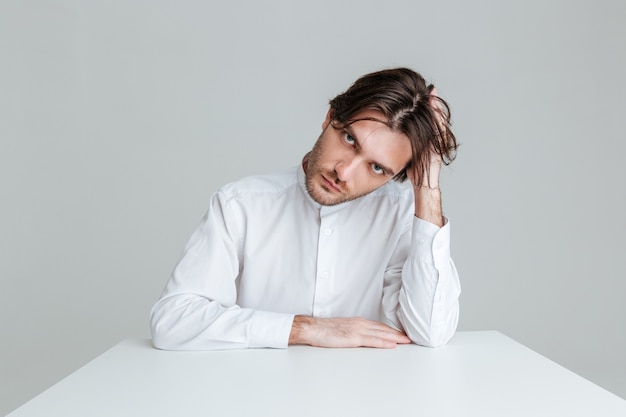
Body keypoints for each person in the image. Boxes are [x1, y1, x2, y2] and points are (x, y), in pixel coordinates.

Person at [150, 67, 460, 350]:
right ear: (330, 117)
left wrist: (427, 187)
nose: (344, 172)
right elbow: (172, 321)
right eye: (350, 139)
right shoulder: (240, 204)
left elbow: (430, 332)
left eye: (377, 168)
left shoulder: (402, 215)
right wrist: (305, 329)